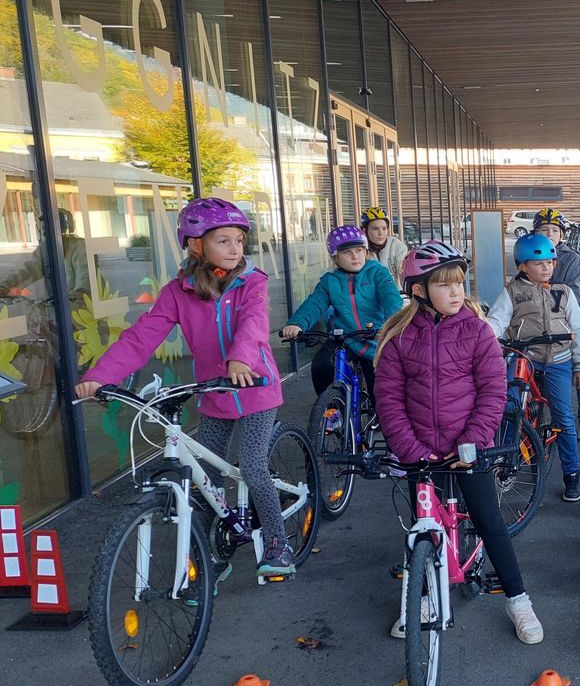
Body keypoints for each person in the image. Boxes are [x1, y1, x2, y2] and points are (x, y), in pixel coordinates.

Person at [75, 197, 296, 579]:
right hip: (214, 393)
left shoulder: (252, 282)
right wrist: (101, 375)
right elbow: (141, 337)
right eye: (223, 241)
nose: (235, 249)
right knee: (205, 477)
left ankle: (278, 542)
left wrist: (241, 358)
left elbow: (254, 323)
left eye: (239, 240)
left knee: (253, 466)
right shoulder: (178, 292)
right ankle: (212, 551)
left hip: (256, 388)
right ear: (196, 245)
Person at [374, 243, 543, 644]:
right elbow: (389, 399)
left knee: (489, 522)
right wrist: (409, 448)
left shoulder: (476, 331)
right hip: (420, 452)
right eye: (444, 285)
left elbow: (493, 391)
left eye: (459, 283)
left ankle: (518, 599)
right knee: (423, 528)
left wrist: (473, 440)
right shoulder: (399, 336)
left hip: (468, 449)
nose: (456, 292)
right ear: (419, 291)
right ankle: (424, 596)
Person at [487, 232, 580, 502]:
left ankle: (572, 473)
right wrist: (486, 335)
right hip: (525, 357)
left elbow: (578, 329)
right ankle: (503, 462)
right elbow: (496, 321)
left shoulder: (563, 292)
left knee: (564, 419)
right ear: (522, 266)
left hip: (559, 360)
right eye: (538, 263)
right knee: (509, 408)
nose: (546, 268)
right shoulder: (512, 292)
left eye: (550, 262)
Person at [280, 225, 402, 397]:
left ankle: (378, 413)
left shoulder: (378, 273)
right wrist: (297, 324)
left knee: (380, 389)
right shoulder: (330, 281)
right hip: (345, 339)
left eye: (359, 250)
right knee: (322, 365)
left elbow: (391, 300)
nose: (355, 256)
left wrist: (391, 325)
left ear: (366, 251)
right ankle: (331, 407)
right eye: (346, 252)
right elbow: (314, 305)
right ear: (335, 257)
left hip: (375, 338)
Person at [534, 207, 580, 442]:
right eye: (544, 230)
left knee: (578, 365)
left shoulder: (571, 258)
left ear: (562, 235)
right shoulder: (530, 253)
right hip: (538, 320)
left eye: (554, 230)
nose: (549, 234)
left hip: (568, 318)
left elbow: (569, 291)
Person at [360, 206, 410, 283]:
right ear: (364, 231)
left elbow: (404, 272)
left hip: (395, 290)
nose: (381, 233)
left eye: (384, 228)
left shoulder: (397, 246)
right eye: (375, 229)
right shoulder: (360, 250)